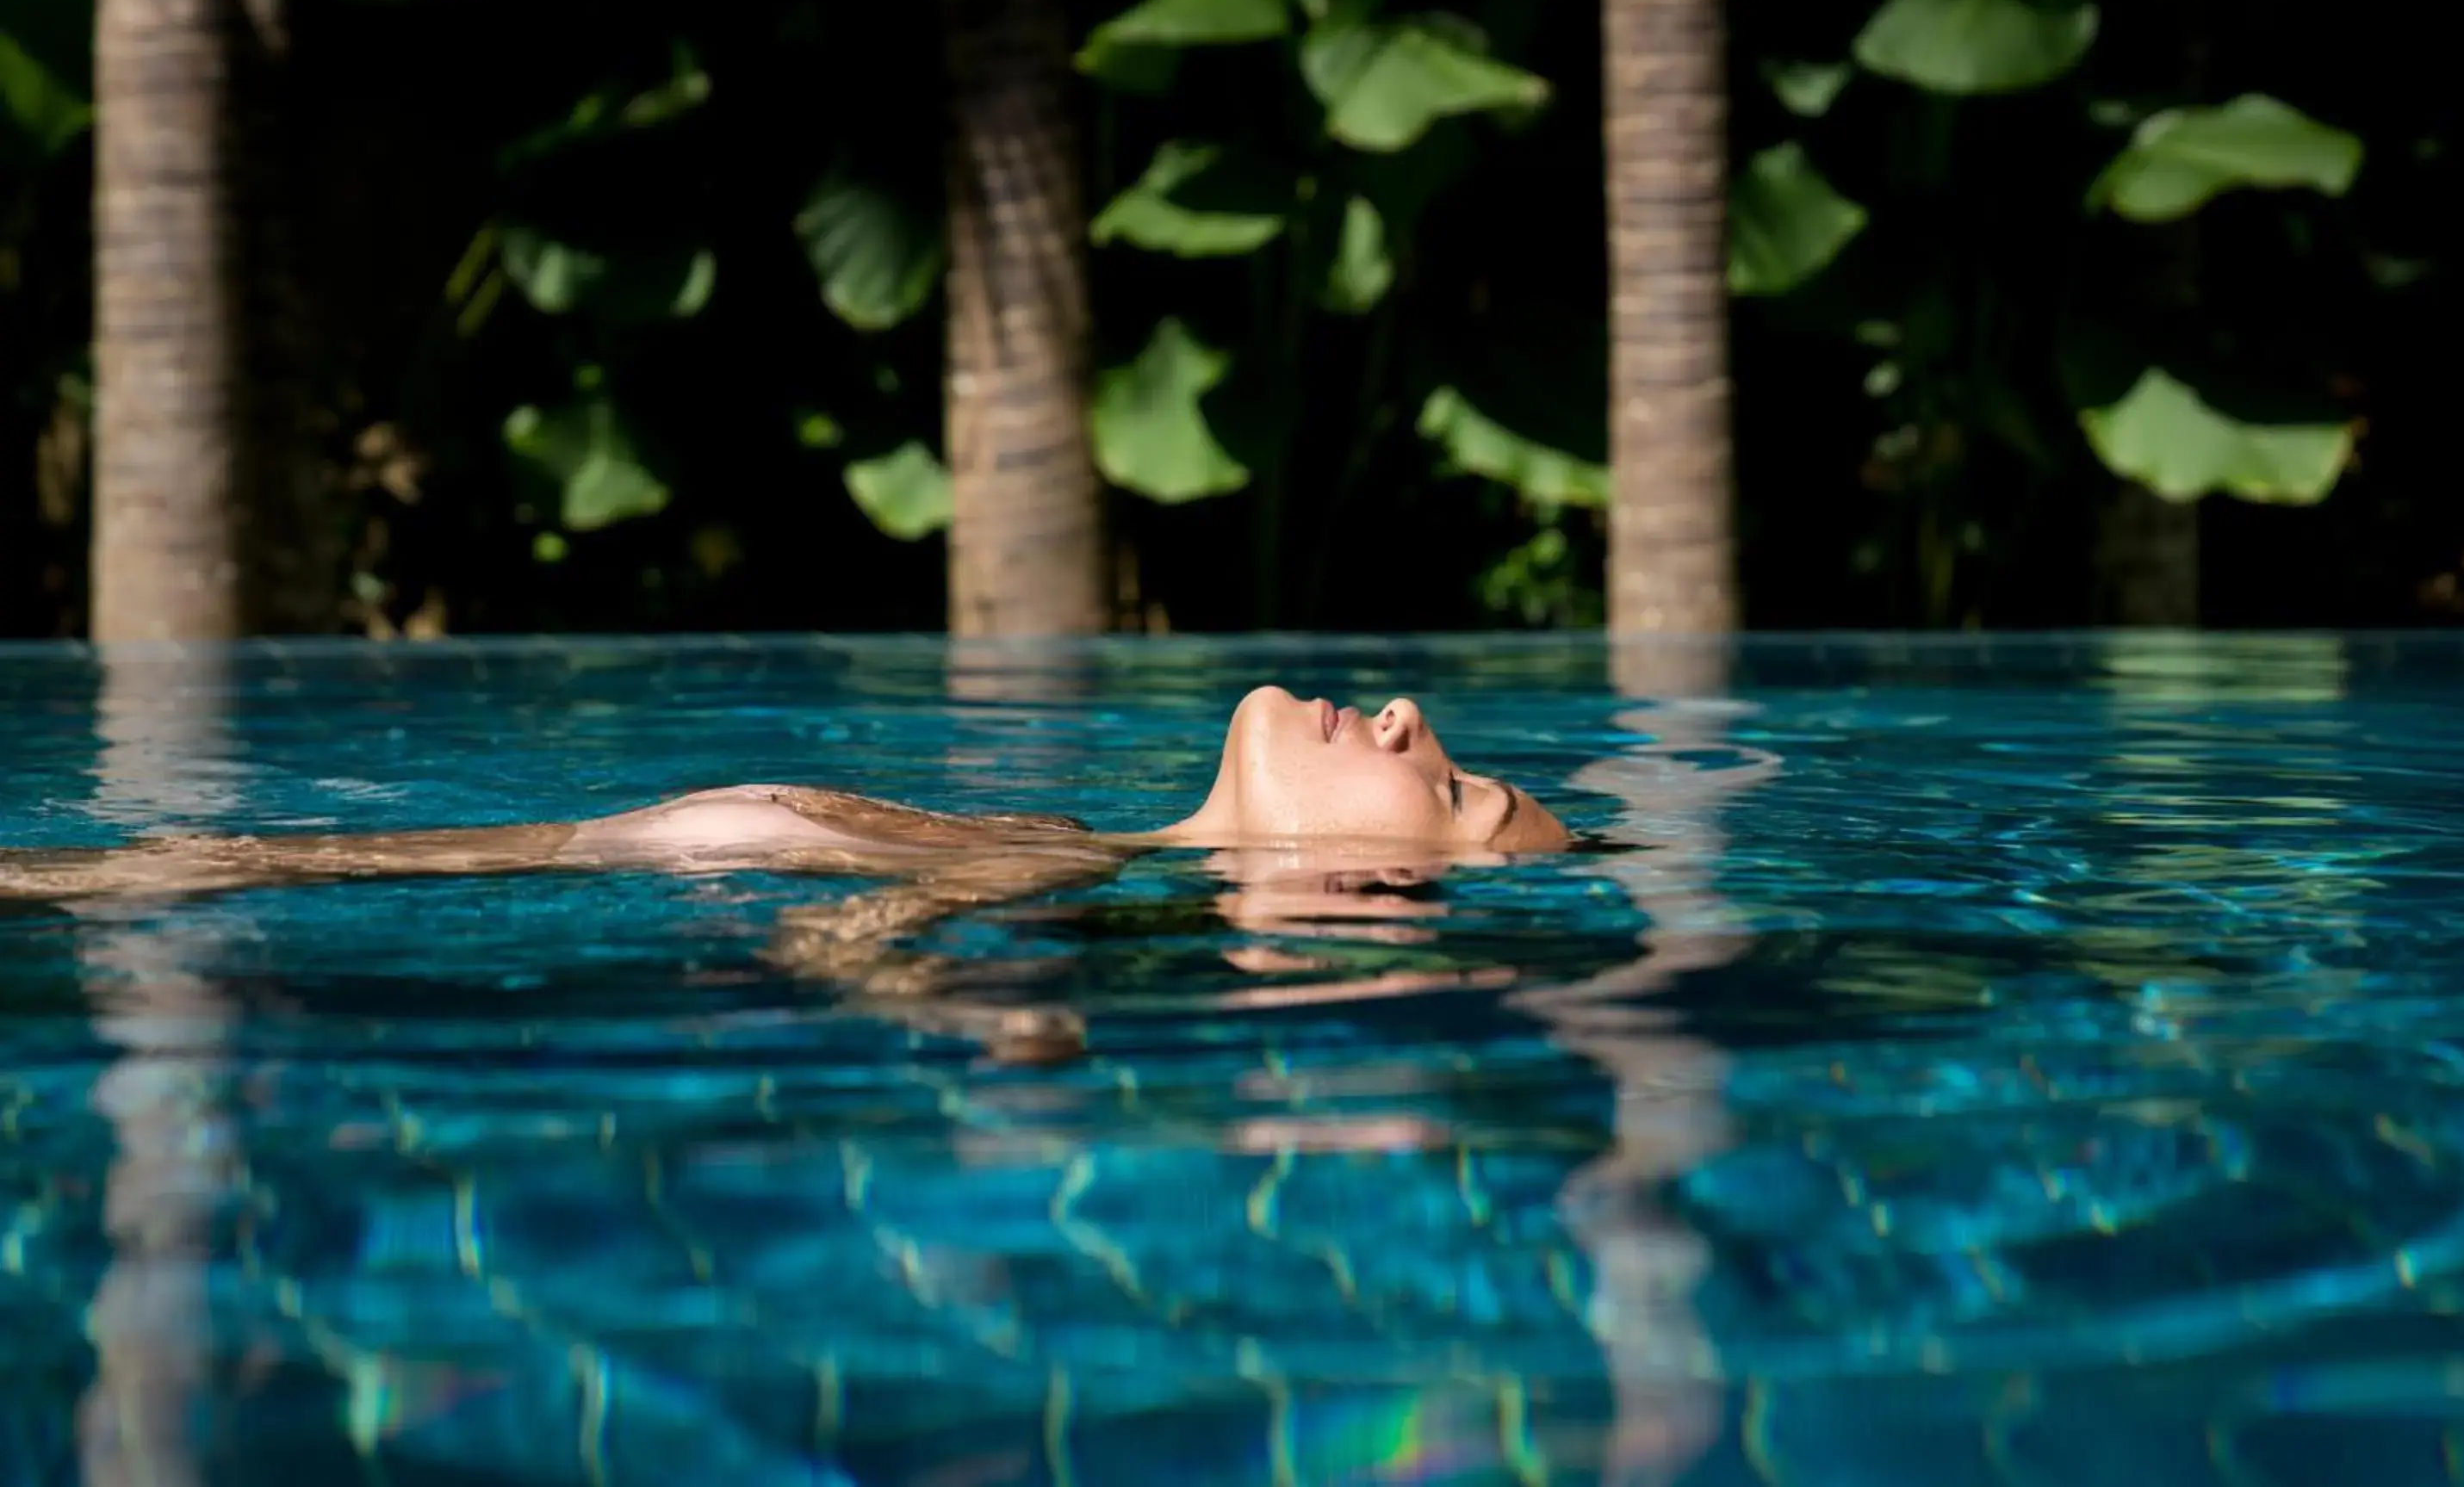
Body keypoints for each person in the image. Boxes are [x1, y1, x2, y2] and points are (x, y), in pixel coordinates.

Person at [3, 686, 1572, 1061]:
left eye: (1447, 787)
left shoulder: (1056, 883)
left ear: (1372, 878)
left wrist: (959, 1014)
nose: (1408, 719)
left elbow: (843, 943)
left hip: (276, 885)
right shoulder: (1061, 842)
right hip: (269, 869)